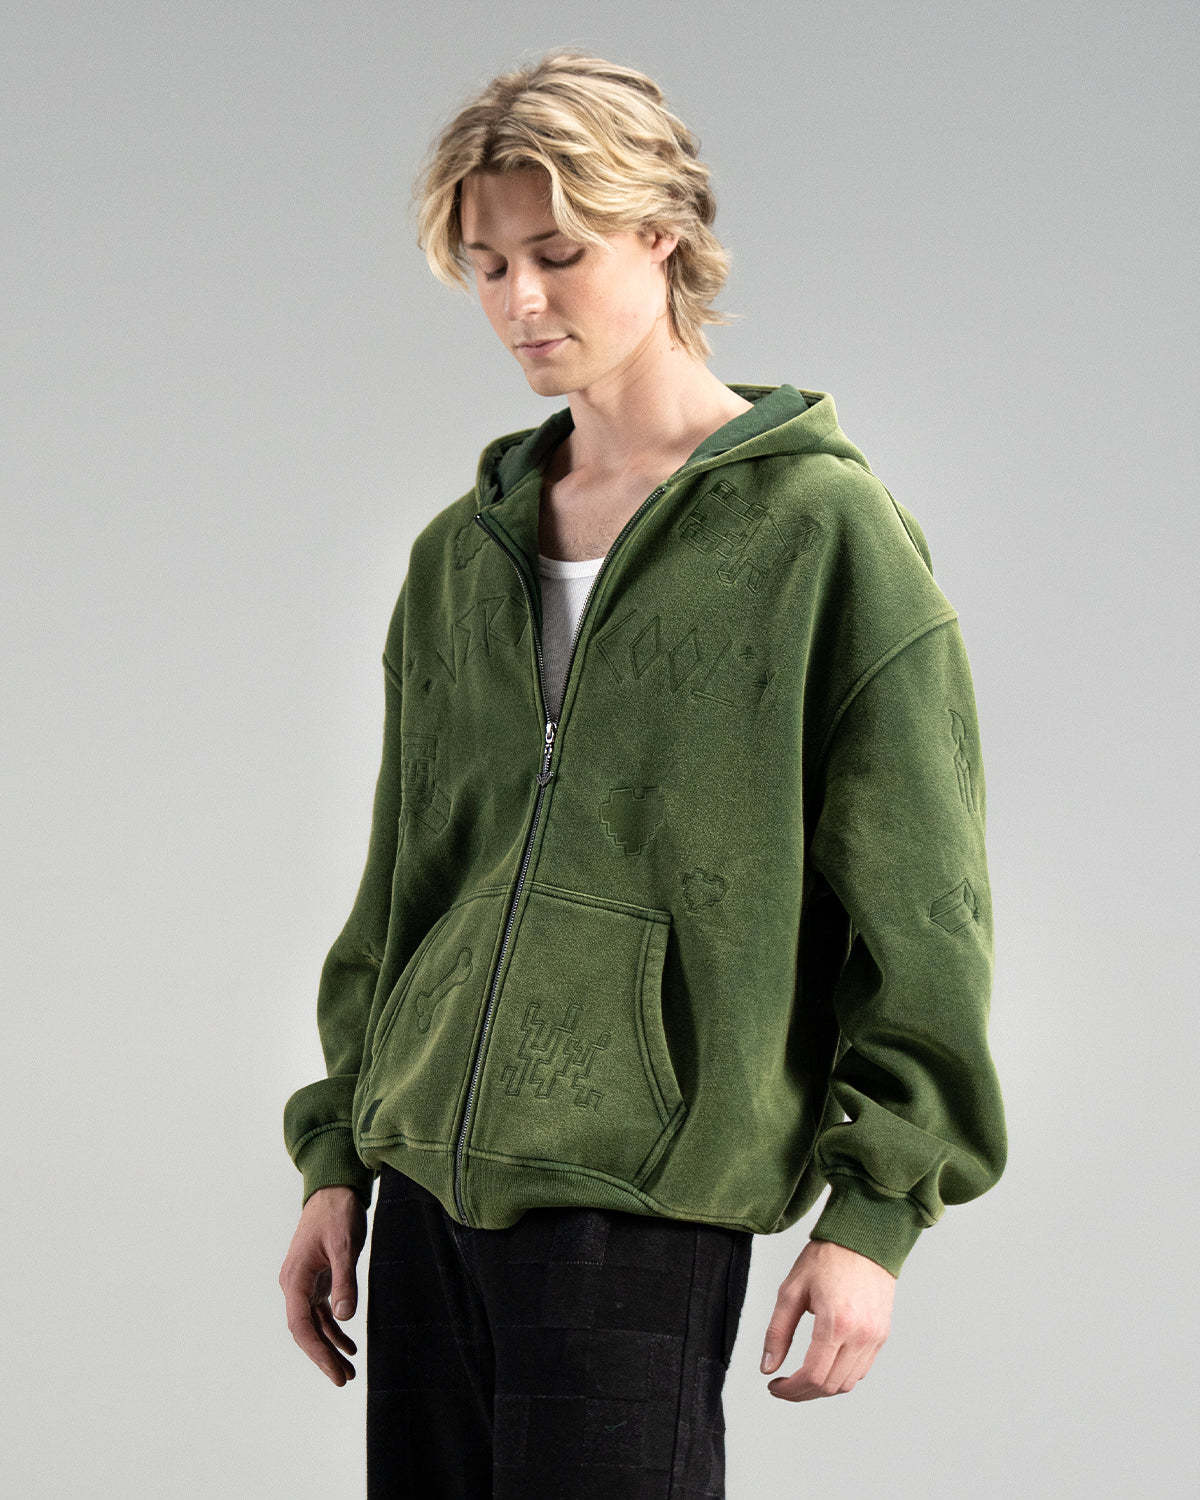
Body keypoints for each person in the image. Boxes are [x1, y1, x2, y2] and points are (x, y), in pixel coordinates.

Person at [278, 48, 1007, 1497]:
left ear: (662, 235)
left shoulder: (822, 536)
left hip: (639, 1191)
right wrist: (338, 1154)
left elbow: (927, 907)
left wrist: (876, 1215)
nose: (519, 303)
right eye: (487, 265)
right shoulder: (461, 556)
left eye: (558, 255)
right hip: (423, 1185)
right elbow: (407, 880)